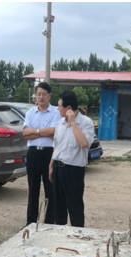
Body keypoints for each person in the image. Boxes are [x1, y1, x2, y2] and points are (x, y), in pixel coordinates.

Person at [49, 90, 94, 227]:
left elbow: (83, 143)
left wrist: (73, 122)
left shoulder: (86, 123)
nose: (57, 109)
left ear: (68, 108)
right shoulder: (60, 123)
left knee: (75, 207)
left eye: (59, 106)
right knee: (58, 207)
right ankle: (60, 233)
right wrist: (51, 165)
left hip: (74, 171)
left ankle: (77, 235)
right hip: (58, 168)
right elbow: (56, 146)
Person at [22, 82, 61, 226]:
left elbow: (54, 132)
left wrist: (35, 132)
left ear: (49, 95)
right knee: (33, 189)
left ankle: (49, 221)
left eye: (44, 94)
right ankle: (31, 222)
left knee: (50, 189)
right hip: (33, 153)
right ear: (35, 96)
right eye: (38, 94)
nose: (41, 97)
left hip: (49, 154)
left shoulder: (56, 112)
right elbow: (25, 134)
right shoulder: (30, 113)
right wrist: (43, 132)